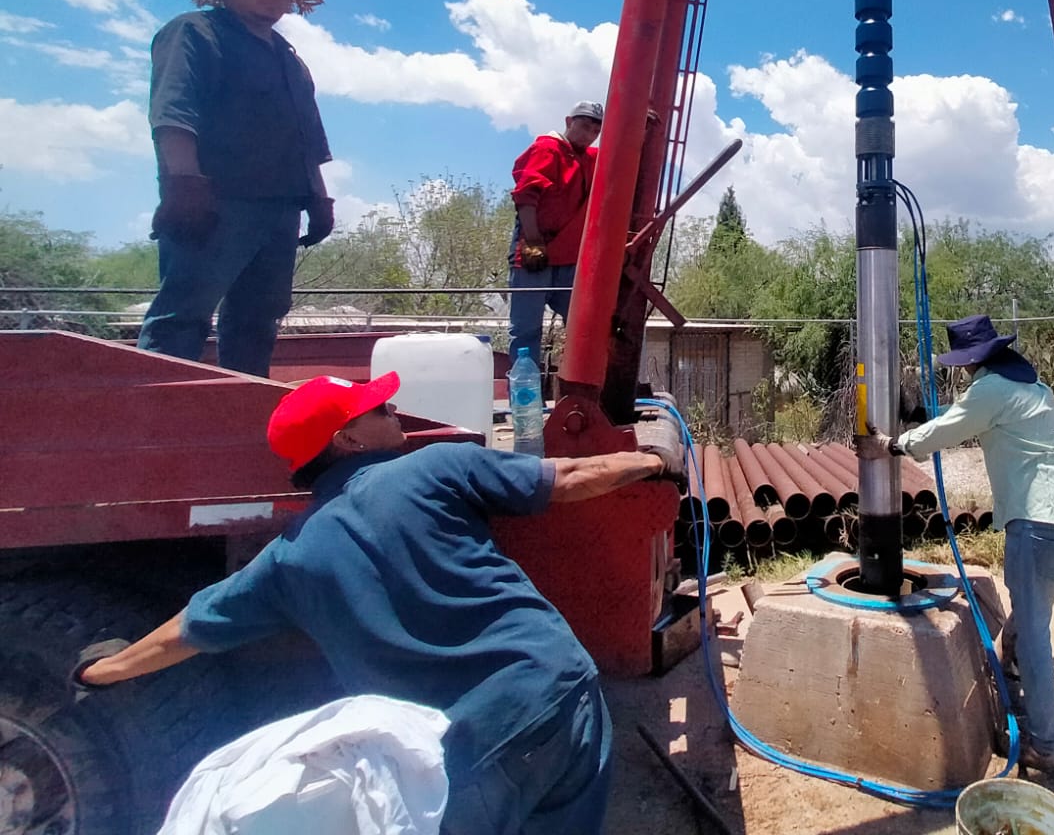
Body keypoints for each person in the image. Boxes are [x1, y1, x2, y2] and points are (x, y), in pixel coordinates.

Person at [73, 370, 685, 834]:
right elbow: (571, 478)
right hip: (558, 686)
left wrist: (101, 672)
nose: (394, 411)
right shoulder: (435, 469)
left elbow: (186, 630)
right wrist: (654, 457)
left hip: (458, 753)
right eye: (378, 408)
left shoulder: (286, 562)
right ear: (348, 439)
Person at [876, 314, 1054, 773]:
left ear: (972, 361)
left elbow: (946, 432)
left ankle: (1045, 745)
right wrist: (923, 427)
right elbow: (965, 424)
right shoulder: (1032, 387)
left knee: (1036, 639)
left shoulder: (989, 391)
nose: (962, 371)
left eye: (963, 364)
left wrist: (892, 445)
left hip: (1038, 524)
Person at [136, 0, 336, 377]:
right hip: (216, 202)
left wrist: (319, 200)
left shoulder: (290, 61)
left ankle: (244, 413)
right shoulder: (194, 33)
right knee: (183, 313)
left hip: (281, 209)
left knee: (258, 320)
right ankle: (154, 421)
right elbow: (173, 114)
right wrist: (184, 185)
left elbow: (308, 138)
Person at [507, 100, 603, 366]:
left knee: (584, 325)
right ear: (568, 122)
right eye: (584, 126)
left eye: (596, 131)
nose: (589, 134)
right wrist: (534, 241)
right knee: (526, 332)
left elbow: (622, 153)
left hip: (568, 256)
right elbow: (526, 196)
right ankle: (526, 402)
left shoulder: (588, 158)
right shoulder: (548, 149)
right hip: (538, 250)